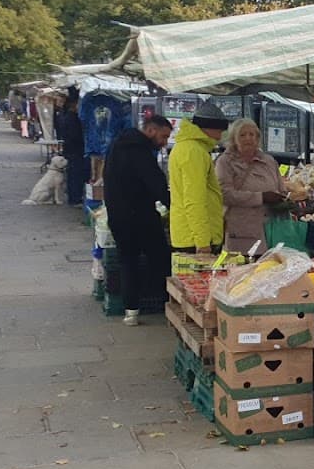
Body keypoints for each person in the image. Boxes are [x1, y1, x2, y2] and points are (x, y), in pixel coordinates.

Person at [103, 116, 174, 326]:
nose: (164, 142)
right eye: (163, 136)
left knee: (128, 261)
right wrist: (173, 205)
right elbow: (155, 183)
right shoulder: (140, 151)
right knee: (160, 258)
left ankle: (131, 311)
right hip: (141, 216)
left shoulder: (117, 145)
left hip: (118, 215)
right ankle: (169, 303)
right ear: (151, 130)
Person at [216, 118, 285, 255]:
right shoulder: (225, 162)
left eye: (252, 134)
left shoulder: (269, 161)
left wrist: (284, 199)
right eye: (242, 135)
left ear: (258, 138)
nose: (248, 138)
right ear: (233, 139)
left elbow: (281, 188)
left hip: (271, 229)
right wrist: (261, 197)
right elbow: (225, 194)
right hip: (242, 231)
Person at [169, 100, 227, 254]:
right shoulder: (194, 152)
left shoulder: (186, 147)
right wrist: (203, 242)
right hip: (195, 239)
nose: (221, 136)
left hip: (188, 234)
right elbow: (194, 200)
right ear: (209, 128)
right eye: (220, 130)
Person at [55, 90, 86, 207]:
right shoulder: (72, 118)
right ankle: (75, 198)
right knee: (75, 175)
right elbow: (74, 136)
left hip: (71, 149)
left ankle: (74, 197)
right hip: (75, 150)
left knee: (73, 174)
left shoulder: (66, 116)